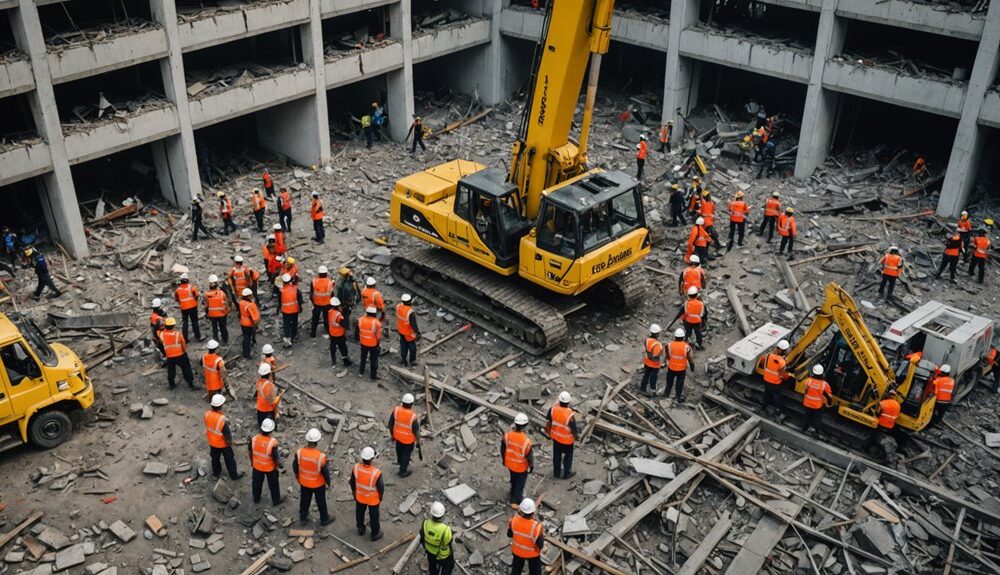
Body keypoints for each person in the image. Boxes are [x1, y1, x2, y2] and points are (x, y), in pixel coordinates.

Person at [295, 428, 333, 526]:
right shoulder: (321, 456)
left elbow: (295, 465)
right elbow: (325, 472)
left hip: (304, 482)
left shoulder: (299, 452)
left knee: (304, 500)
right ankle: (324, 519)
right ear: (317, 441)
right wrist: (328, 482)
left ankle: (303, 517)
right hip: (318, 484)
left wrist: (297, 476)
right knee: (321, 502)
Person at [350, 446, 384, 540]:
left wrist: (354, 492)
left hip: (360, 497)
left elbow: (352, 482)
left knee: (359, 513)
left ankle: (360, 528)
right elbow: (381, 487)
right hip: (373, 499)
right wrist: (380, 497)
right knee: (374, 516)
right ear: (372, 459)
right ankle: (375, 534)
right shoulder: (376, 473)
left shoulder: (356, 468)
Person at [205, 394, 241, 480]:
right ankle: (234, 475)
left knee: (215, 458)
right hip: (223, 444)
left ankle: (216, 473)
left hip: (212, 442)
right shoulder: (223, 420)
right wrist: (231, 443)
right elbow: (227, 435)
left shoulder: (207, 414)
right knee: (229, 459)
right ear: (221, 406)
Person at [502, 413, 534, 506]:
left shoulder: (507, 436)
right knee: (520, 484)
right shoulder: (526, 441)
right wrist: (531, 466)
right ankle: (515, 500)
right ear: (525, 426)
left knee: (513, 478)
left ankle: (512, 490)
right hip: (520, 467)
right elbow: (529, 456)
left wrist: (504, 460)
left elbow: (502, 449)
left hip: (510, 463)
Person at [545, 392, 577, 479]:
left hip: (556, 438)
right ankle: (567, 473)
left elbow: (548, 422)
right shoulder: (570, 414)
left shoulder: (552, 409)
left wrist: (548, 433)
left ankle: (556, 473)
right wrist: (576, 437)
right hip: (567, 441)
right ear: (569, 402)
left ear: (559, 400)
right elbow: (573, 428)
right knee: (568, 456)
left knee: (557, 456)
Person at [250, 418, 282, 506]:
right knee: (274, 486)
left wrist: (252, 463)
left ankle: (256, 498)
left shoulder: (254, 439)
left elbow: (250, 452)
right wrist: (280, 465)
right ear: (271, 430)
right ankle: (276, 500)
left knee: (256, 484)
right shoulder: (272, 442)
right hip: (270, 469)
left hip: (256, 467)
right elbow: (277, 458)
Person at [508, 498, 544, 575]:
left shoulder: (513, 520)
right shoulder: (537, 527)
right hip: (532, 554)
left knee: (516, 570)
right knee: (535, 571)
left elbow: (509, 534)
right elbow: (540, 545)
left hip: (517, 551)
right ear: (533, 512)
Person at [388, 393, 421, 477]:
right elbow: (416, 430)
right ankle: (402, 471)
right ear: (412, 404)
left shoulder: (396, 410)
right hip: (408, 440)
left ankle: (400, 461)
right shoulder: (412, 416)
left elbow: (391, 423)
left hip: (398, 436)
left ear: (403, 402)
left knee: (399, 450)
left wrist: (392, 434)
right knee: (406, 454)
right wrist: (418, 441)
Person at [421, 502, 454, 575]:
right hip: (443, 556)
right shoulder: (446, 529)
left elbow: (422, 537)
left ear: (432, 514)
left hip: (430, 552)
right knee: (449, 565)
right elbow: (448, 542)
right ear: (443, 515)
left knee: (432, 566)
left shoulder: (425, 523)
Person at [160, 318, 194, 389]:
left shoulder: (162, 334)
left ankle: (171, 385)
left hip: (170, 356)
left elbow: (162, 343)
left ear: (165, 325)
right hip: (180, 355)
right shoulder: (178, 334)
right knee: (186, 368)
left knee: (171, 370)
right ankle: (190, 383)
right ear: (174, 325)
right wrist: (184, 351)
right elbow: (183, 344)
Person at [664, 328, 694, 403]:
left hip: (671, 368)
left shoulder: (669, 345)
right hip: (681, 370)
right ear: (683, 337)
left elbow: (667, 356)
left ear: (675, 337)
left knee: (669, 383)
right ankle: (678, 398)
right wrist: (692, 366)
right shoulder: (687, 347)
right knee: (679, 385)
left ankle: (665, 396)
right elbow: (689, 358)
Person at [801, 365, 832, 433]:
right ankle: (815, 430)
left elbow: (805, 390)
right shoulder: (824, 384)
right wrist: (827, 403)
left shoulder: (808, 381)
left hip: (807, 403)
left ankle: (804, 428)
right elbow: (829, 396)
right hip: (817, 406)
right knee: (817, 418)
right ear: (822, 373)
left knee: (806, 417)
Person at [761, 340, 789, 413]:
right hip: (775, 383)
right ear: (781, 350)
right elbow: (784, 375)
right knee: (777, 398)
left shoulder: (768, 356)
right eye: (785, 350)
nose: (786, 352)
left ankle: (763, 408)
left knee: (766, 395)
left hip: (766, 380)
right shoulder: (782, 362)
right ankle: (777, 412)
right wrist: (788, 376)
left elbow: (764, 363)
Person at [174, 273, 202, 342]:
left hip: (184, 308)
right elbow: (197, 295)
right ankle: (198, 336)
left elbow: (176, 298)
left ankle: (185, 339)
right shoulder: (191, 287)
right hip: (193, 307)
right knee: (195, 322)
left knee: (185, 323)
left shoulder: (178, 290)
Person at [357, 306, 382, 380]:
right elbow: (379, 336)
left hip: (363, 343)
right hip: (373, 344)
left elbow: (358, 330)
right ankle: (373, 376)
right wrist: (379, 343)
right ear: (375, 313)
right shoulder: (376, 322)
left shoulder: (361, 319)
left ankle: (361, 372)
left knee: (363, 358)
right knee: (374, 360)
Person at [204, 275, 230, 344]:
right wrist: (227, 312)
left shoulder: (207, 294)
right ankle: (225, 340)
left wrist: (207, 314)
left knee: (214, 328)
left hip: (212, 315)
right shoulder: (222, 293)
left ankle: (215, 341)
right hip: (222, 314)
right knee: (223, 328)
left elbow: (206, 306)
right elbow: (226, 304)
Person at [327, 298, 353, 368]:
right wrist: (346, 314)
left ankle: (333, 361)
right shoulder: (338, 315)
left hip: (332, 334)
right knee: (343, 348)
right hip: (339, 334)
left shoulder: (330, 312)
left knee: (333, 347)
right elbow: (344, 324)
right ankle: (346, 361)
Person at [396, 293, 421, 367]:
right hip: (408, 333)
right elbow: (414, 324)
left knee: (403, 346)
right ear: (409, 302)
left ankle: (403, 359)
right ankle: (412, 360)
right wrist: (417, 332)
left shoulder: (398, 307)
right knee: (412, 348)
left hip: (401, 331)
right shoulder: (410, 312)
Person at [337, 267, 362, 336]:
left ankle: (345, 327)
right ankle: (346, 326)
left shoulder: (344, 286)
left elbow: (341, 296)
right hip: (350, 302)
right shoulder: (352, 283)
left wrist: (341, 304)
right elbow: (358, 292)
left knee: (345, 315)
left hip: (346, 303)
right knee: (346, 314)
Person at [310, 266, 334, 338]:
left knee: (315, 319)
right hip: (327, 303)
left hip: (317, 303)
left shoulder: (314, 281)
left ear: (319, 273)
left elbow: (311, 293)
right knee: (326, 318)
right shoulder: (329, 282)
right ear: (326, 273)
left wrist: (313, 301)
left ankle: (313, 333)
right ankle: (328, 331)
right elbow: (332, 294)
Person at [640, 324, 664, 394]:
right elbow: (655, 355)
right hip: (654, 364)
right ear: (657, 334)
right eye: (658, 333)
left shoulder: (647, 340)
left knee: (646, 375)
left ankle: (642, 388)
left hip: (647, 362)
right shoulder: (657, 344)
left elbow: (648, 350)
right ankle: (652, 391)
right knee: (653, 378)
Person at [279, 273, 302, 346]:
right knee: (294, 323)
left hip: (285, 311)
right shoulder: (295, 289)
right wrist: (300, 307)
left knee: (286, 324)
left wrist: (278, 308)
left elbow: (279, 301)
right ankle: (294, 336)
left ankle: (287, 337)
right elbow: (300, 299)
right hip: (295, 309)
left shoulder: (281, 291)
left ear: (283, 281)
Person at [239, 288, 260, 359]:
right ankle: (247, 354)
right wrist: (256, 324)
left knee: (245, 337)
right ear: (248, 296)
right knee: (248, 338)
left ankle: (245, 350)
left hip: (243, 323)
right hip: (249, 324)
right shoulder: (251, 305)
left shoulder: (241, 302)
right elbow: (254, 317)